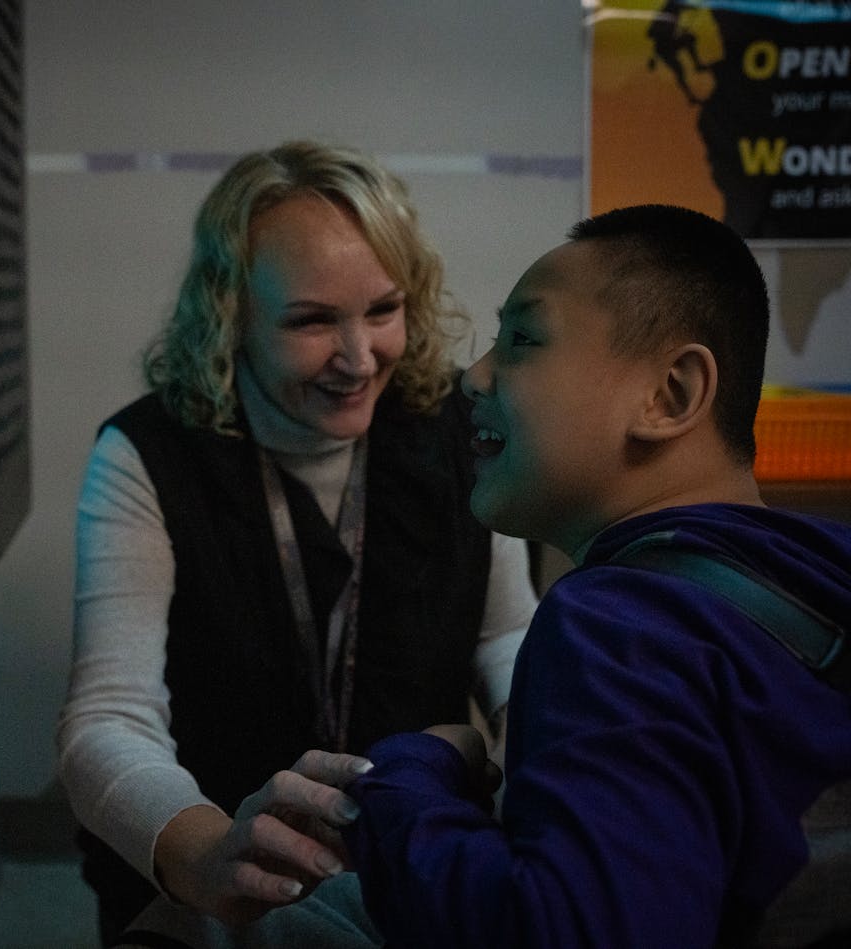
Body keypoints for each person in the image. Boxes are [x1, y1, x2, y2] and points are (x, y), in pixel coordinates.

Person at [56, 140, 540, 943]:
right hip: (209, 889)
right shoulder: (146, 455)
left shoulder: (456, 431)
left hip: (407, 864)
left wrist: (549, 740)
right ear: (231, 315)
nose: (359, 359)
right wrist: (204, 850)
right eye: (312, 321)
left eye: (383, 310)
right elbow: (108, 716)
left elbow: (506, 634)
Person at [343, 204, 851, 947]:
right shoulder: (819, 573)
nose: (473, 376)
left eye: (522, 339)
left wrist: (409, 776)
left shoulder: (617, 622)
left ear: (669, 395)